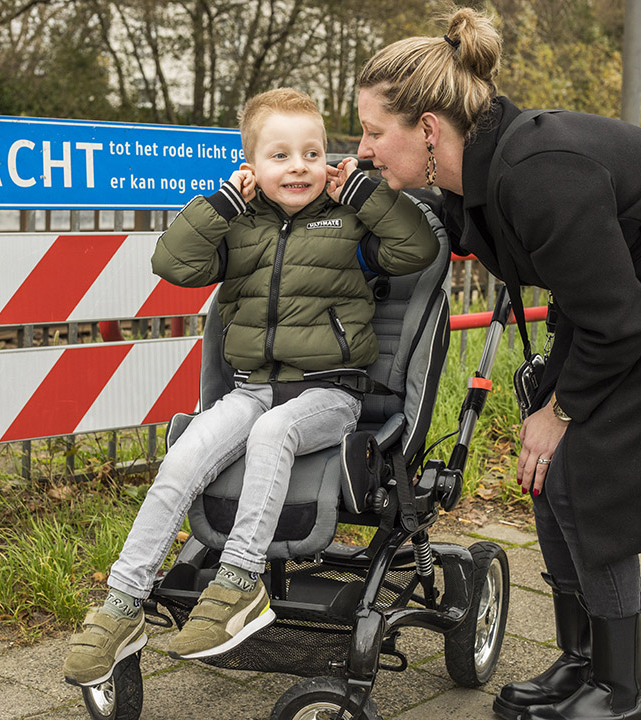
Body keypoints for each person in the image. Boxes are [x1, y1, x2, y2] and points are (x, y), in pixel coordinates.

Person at [355, 7, 641, 720]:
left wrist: (561, 411)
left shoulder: (536, 171)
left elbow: (617, 319)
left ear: (425, 127)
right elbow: (587, 291)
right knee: (549, 474)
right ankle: (583, 666)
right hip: (636, 302)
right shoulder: (476, 170)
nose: (362, 148)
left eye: (370, 131)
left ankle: (623, 694)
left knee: (585, 474)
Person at [62, 88, 439, 686]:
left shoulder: (350, 223)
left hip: (330, 393)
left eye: (312, 153)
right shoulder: (240, 227)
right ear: (251, 168)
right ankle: (122, 603)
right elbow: (174, 264)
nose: (298, 166)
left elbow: (418, 247)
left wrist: (364, 195)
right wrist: (220, 205)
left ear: (329, 161)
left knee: (273, 432)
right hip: (251, 387)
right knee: (182, 460)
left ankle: (239, 582)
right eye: (280, 155)